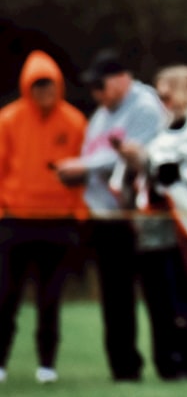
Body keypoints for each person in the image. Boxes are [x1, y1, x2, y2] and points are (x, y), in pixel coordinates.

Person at [54, 48, 168, 382]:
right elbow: (97, 154)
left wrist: (82, 167)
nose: (96, 94)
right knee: (115, 297)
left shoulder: (145, 107)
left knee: (156, 293)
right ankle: (124, 369)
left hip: (138, 218)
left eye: (100, 85)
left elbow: (134, 155)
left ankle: (170, 366)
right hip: (105, 219)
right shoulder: (103, 113)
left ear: (121, 80)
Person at [114, 64, 187, 380]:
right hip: (151, 232)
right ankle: (166, 365)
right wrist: (134, 161)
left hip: (184, 233)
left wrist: (152, 166)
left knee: (183, 300)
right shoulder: (157, 133)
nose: (163, 98)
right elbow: (142, 177)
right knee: (157, 302)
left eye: (169, 90)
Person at [0, 50, 87, 385]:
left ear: (58, 86)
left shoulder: (75, 121)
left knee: (50, 298)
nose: (43, 93)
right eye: (37, 86)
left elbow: (83, 173)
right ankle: (2, 363)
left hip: (58, 224)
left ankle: (47, 365)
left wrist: (78, 213)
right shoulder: (8, 120)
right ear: (27, 88)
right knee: (6, 296)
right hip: (16, 221)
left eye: (49, 86)